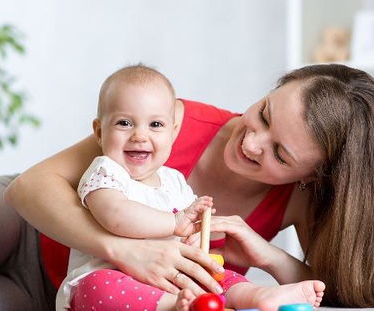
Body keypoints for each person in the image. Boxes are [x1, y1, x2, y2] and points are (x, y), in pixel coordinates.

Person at [5, 63, 374, 308]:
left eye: (280, 154)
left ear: (311, 178)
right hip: (27, 234)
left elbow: (334, 294)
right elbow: (27, 188)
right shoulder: (166, 124)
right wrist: (121, 248)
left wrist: (267, 256)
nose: (250, 141)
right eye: (264, 113)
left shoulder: (302, 199)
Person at [57, 64, 325, 311]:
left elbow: (188, 236)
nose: (140, 135)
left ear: (173, 132)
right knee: (99, 288)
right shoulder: (105, 171)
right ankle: (177, 305)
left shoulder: (173, 180)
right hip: (113, 276)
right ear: (100, 132)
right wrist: (176, 221)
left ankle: (257, 296)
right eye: (124, 123)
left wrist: (196, 235)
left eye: (156, 125)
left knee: (216, 272)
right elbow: (115, 216)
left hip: (171, 276)